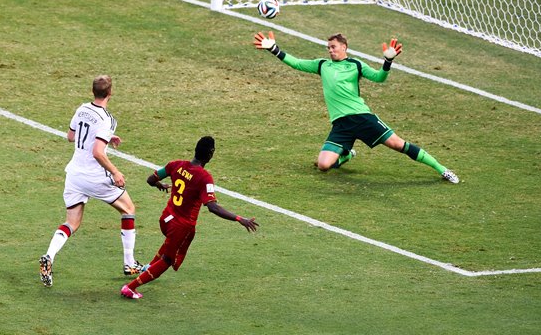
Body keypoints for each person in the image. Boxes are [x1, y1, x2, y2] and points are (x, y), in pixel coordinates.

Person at [253, 31, 459, 184]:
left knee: (398, 145)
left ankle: (442, 169)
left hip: (362, 117)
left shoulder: (356, 65)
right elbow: (296, 63)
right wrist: (274, 49)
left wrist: (388, 61)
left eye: (333, 47)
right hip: (341, 124)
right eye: (328, 48)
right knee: (323, 165)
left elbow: (379, 78)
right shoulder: (322, 65)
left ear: (344, 47)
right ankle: (348, 154)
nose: (330, 50)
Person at [120, 136, 259, 299]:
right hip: (180, 227)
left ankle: (148, 267)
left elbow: (151, 179)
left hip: (165, 219)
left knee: (170, 244)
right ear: (211, 154)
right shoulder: (204, 178)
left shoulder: (175, 165)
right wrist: (239, 219)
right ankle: (130, 288)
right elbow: (212, 207)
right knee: (167, 261)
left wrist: (160, 185)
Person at [39, 75, 144, 287]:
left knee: (72, 222)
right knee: (128, 209)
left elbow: (71, 136)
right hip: (94, 176)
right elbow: (97, 152)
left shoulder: (82, 109)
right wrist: (115, 172)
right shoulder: (108, 119)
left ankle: (49, 257)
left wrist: (105, 138)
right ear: (110, 93)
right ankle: (129, 263)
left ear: (92, 91)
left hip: (74, 175)